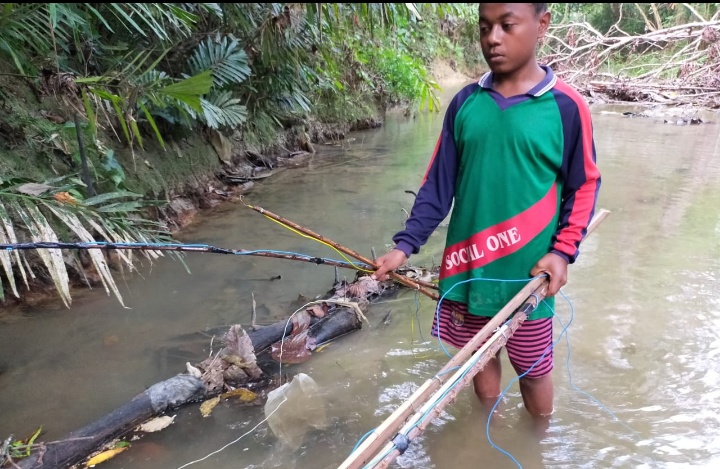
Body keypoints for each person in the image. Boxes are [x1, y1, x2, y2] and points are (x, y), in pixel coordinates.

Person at [371, 3, 601, 421]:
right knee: (478, 360)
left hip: (529, 277)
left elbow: (583, 185)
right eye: (484, 27)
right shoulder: (465, 104)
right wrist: (404, 247)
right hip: (468, 269)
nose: (493, 38)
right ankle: (485, 433)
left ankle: (537, 442)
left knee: (533, 370)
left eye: (507, 26)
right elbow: (437, 187)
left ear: (541, 25)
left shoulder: (565, 106)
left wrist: (563, 252)